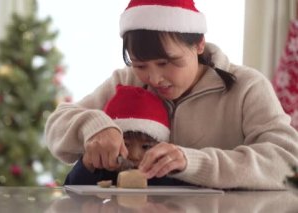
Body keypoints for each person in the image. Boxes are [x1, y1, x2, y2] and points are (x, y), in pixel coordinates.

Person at [45, 0, 298, 189]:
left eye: (167, 63)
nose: (154, 79)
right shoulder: (126, 81)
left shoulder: (246, 87)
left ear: (199, 44)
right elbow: (57, 126)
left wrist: (193, 162)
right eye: (141, 65)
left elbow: (287, 162)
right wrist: (93, 126)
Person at [64, 84, 188, 186]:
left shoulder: (166, 174)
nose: (133, 156)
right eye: (126, 145)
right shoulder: (104, 170)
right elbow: (71, 189)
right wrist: (87, 164)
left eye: (146, 147)